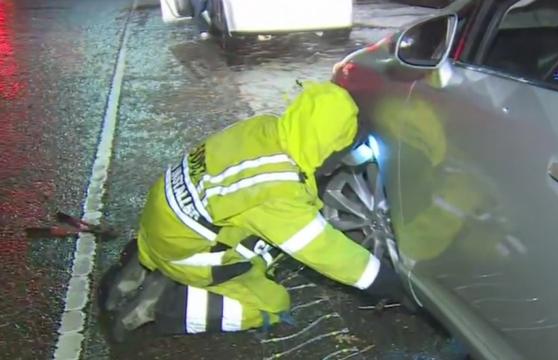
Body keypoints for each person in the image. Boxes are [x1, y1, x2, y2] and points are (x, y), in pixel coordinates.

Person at [100, 81, 407, 341]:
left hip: (160, 216)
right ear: (326, 148)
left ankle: (140, 267)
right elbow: (325, 250)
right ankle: (162, 304)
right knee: (271, 304)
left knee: (248, 243)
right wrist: (386, 282)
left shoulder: (265, 127)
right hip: (181, 246)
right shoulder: (277, 191)